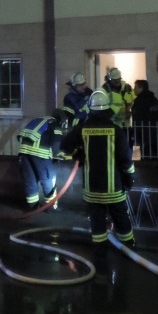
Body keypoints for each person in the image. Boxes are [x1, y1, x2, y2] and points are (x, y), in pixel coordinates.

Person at [61, 89, 136, 258]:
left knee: (96, 217)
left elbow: (64, 146)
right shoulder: (116, 130)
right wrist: (129, 177)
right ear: (107, 109)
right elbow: (125, 158)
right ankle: (128, 248)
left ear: (91, 109)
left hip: (92, 187)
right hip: (114, 186)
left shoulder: (82, 129)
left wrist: (78, 154)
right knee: (120, 215)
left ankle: (100, 251)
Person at [16, 112, 64, 211]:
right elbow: (57, 148)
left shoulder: (39, 120)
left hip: (24, 152)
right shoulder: (55, 125)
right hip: (41, 154)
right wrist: (64, 156)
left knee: (30, 179)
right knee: (48, 178)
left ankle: (33, 206)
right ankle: (50, 206)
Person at [131, 79, 158, 160]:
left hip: (144, 135)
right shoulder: (153, 99)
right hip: (156, 134)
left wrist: (135, 134)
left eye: (135, 87)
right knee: (157, 156)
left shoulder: (140, 101)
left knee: (144, 158)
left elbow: (138, 118)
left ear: (141, 88)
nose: (134, 89)